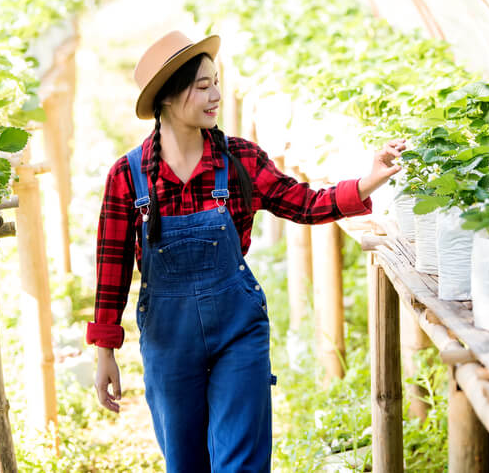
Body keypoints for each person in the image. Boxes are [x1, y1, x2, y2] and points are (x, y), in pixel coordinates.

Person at [86, 30, 406, 472]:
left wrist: (367, 182)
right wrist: (105, 353)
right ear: (166, 97)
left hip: (238, 334)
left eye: (216, 82)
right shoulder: (129, 177)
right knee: (185, 462)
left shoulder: (239, 161)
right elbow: (112, 268)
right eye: (203, 86)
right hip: (168, 342)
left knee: (241, 465)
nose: (216, 95)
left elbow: (304, 204)